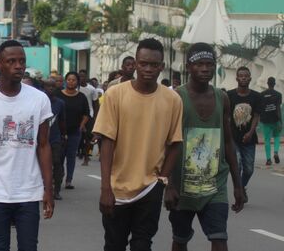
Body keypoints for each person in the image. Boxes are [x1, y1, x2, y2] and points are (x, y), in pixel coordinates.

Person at [94, 38, 183, 251]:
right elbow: (107, 141)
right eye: (143, 63)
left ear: (162, 66)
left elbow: (176, 143)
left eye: (154, 65)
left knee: (142, 245)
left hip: (150, 188)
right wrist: (105, 187)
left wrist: (163, 180)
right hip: (117, 189)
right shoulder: (115, 94)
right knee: (114, 245)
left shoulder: (172, 100)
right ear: (135, 63)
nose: (148, 69)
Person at [0, 40, 54, 251]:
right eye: (11, 61)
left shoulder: (39, 99)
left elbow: (43, 146)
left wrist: (47, 189)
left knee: (28, 247)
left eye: (22, 61)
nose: (18, 66)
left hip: (29, 192)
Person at [167, 43, 244, 251]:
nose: (204, 69)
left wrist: (238, 185)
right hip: (182, 186)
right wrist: (169, 184)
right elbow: (165, 143)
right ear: (188, 66)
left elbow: (227, 142)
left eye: (209, 64)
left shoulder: (222, 97)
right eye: (199, 64)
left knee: (219, 238)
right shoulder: (175, 98)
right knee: (180, 239)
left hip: (214, 186)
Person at [227, 67, 260, 203]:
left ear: (250, 78)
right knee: (238, 164)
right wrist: (227, 135)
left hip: (249, 139)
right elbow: (227, 117)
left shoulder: (257, 96)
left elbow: (256, 116)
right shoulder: (229, 95)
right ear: (236, 78)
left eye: (246, 76)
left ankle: (242, 187)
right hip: (233, 138)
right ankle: (239, 191)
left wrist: (250, 132)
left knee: (249, 169)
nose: (243, 78)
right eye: (241, 76)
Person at [56, 72, 89, 189]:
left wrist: (81, 126)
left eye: (74, 80)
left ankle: (69, 180)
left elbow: (86, 114)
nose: (71, 82)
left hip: (74, 132)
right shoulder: (58, 95)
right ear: (65, 81)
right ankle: (59, 175)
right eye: (69, 79)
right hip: (59, 132)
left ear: (77, 82)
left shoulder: (81, 97)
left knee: (71, 156)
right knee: (59, 157)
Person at [43, 79, 67, 200]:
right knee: (41, 164)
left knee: (57, 163)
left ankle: (56, 189)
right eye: (48, 86)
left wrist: (64, 136)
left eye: (53, 86)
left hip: (55, 138)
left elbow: (62, 121)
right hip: (41, 139)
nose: (51, 88)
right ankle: (43, 188)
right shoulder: (39, 102)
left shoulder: (60, 103)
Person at [259, 76, 281, 165]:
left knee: (267, 139)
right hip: (275, 119)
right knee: (276, 137)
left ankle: (268, 159)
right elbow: (278, 108)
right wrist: (280, 121)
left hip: (265, 120)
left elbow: (260, 108)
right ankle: (275, 152)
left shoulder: (261, 94)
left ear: (267, 84)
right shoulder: (279, 94)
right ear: (274, 84)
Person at [78, 69, 98, 164]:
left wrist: (95, 117)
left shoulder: (92, 89)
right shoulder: (76, 88)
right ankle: (80, 152)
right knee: (80, 137)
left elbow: (95, 104)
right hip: (78, 115)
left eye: (83, 76)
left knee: (88, 137)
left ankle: (86, 157)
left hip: (89, 115)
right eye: (80, 76)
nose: (82, 78)